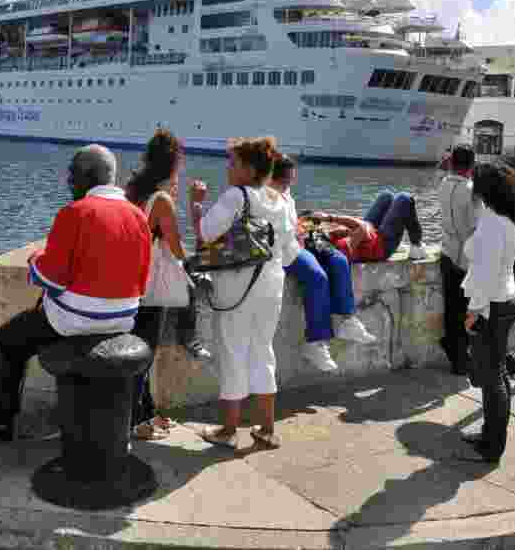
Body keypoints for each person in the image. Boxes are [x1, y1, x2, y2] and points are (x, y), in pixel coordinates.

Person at [0, 145, 151, 443]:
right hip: (123, 319)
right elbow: (142, 280)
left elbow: (48, 277)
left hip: (74, 322)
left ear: (86, 177)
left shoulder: (74, 213)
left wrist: (34, 260)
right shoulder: (137, 216)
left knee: (10, 338)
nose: (69, 182)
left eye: (72, 175)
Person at [188, 137, 295, 449]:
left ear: (248, 169)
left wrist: (196, 203)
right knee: (263, 349)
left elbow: (205, 233)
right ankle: (267, 428)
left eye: (232, 163)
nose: (228, 168)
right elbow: (288, 249)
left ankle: (228, 429)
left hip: (237, 286)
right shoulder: (280, 198)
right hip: (272, 282)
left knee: (232, 351)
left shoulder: (237, 196)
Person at [125, 129, 212, 441]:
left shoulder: (134, 191)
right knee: (143, 354)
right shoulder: (160, 200)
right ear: (174, 163)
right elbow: (176, 249)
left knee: (138, 350)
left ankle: (146, 413)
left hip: (133, 281)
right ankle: (136, 421)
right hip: (152, 285)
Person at [269, 154, 377, 372]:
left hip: (298, 244)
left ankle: (348, 320)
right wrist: (302, 229)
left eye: (290, 178)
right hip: (282, 251)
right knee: (318, 277)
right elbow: (277, 231)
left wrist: (308, 227)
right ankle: (315, 343)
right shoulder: (265, 197)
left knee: (338, 260)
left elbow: (293, 224)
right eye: (286, 179)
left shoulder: (286, 193)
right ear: (273, 177)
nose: (290, 183)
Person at [459, 162, 515, 464]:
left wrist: (474, 311)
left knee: (492, 379)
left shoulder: (492, 222)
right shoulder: (510, 219)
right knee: (495, 375)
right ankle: (490, 436)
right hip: (504, 301)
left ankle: (492, 445)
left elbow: (485, 272)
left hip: (491, 305)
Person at [437, 144, 478, 375]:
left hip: (447, 252)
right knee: (467, 312)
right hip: (466, 258)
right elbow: (476, 228)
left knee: (452, 309)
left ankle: (454, 352)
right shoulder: (472, 191)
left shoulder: (443, 184)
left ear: (453, 163)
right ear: (472, 165)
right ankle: (460, 357)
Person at [310, 192, 429, 263]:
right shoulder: (341, 252)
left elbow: (347, 230)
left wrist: (329, 231)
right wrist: (330, 218)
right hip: (384, 245)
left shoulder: (327, 242)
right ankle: (416, 245)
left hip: (371, 235)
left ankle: (405, 241)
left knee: (386, 196)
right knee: (404, 198)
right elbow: (361, 227)